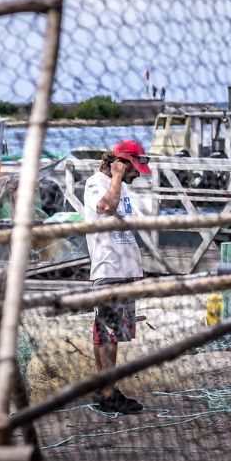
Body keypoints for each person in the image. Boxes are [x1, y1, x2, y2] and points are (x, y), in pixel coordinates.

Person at [81, 140, 152, 414]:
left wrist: (136, 266)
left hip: (123, 269)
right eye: (133, 168)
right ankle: (108, 392)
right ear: (121, 163)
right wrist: (118, 176)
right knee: (107, 332)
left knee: (112, 332)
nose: (136, 174)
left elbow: (122, 229)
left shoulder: (118, 187)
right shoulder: (97, 183)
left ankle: (106, 388)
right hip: (108, 268)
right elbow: (106, 208)